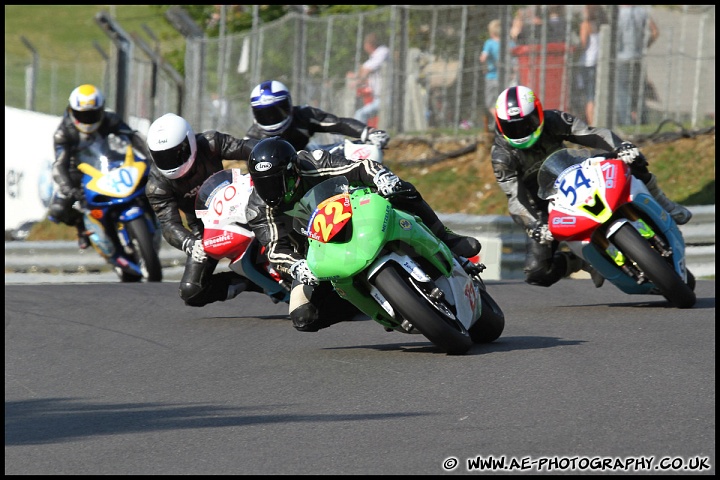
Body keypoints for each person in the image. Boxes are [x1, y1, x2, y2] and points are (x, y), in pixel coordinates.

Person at [245, 137, 481, 333]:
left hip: (354, 217)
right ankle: (365, 304)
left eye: (277, 182)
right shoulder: (257, 209)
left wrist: (382, 177)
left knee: (401, 189)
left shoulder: (312, 163)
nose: (270, 191)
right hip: (314, 257)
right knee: (303, 317)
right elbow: (275, 248)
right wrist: (297, 266)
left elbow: (359, 167)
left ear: (293, 172)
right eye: (263, 184)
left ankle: (447, 237)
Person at [491, 85, 692, 289]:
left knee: (633, 160)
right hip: (544, 207)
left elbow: (591, 134)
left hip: (577, 174)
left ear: (538, 113)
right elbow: (515, 198)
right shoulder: (502, 157)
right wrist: (535, 226)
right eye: (512, 127)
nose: (520, 131)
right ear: (500, 125)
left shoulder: (554, 120)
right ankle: (580, 260)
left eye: (527, 123)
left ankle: (665, 205)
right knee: (537, 272)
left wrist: (621, 147)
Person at [145, 112, 269, 307]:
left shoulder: (210, 143)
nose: (171, 162)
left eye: (176, 153)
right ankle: (250, 281)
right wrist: (189, 243)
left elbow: (248, 148)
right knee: (191, 291)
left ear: (189, 142)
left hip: (244, 203)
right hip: (206, 231)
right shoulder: (157, 185)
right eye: (163, 157)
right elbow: (168, 224)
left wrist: (268, 161)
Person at [48, 84, 150, 249]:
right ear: (72, 111)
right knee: (58, 210)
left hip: (110, 163)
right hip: (79, 172)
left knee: (149, 183)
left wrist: (150, 158)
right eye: (82, 115)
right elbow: (60, 165)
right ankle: (81, 226)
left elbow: (133, 138)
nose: (87, 120)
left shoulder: (110, 119)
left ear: (101, 109)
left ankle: (154, 216)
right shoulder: (63, 133)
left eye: (92, 114)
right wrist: (69, 189)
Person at [244, 79, 390, 153]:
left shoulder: (304, 115)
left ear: (288, 105)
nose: (271, 118)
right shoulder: (251, 138)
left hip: (311, 162)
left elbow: (338, 124)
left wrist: (368, 133)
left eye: (277, 112)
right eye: (265, 114)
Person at [615, 5, 659, 126]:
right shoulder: (641, 12)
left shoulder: (617, 13)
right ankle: (643, 120)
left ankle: (627, 122)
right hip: (637, 57)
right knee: (639, 90)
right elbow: (655, 32)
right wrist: (644, 47)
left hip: (621, 58)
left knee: (622, 91)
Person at [575, 5, 609, 124]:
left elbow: (583, 44)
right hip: (599, 62)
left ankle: (592, 123)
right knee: (595, 94)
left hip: (587, 63)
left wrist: (574, 52)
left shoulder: (586, 24)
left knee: (589, 96)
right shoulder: (604, 24)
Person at [348, 32, 390, 125]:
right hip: (378, 97)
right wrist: (357, 76)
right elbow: (364, 68)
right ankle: (364, 136)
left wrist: (357, 82)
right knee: (362, 114)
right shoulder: (374, 56)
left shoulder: (383, 51)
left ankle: (360, 137)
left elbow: (367, 69)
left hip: (387, 97)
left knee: (361, 114)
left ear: (368, 45)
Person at [479, 19, 511, 132]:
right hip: (506, 77)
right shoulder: (508, 43)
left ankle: (500, 121)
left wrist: (484, 66)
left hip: (491, 77)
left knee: (490, 103)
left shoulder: (489, 43)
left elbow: (483, 57)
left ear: (491, 32)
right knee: (505, 102)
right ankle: (506, 122)